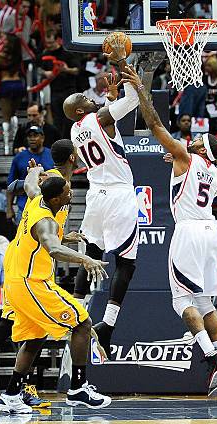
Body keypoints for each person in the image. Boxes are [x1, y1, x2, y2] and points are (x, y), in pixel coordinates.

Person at [0, 141, 81, 412]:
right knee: (19, 326)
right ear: (72, 156)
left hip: (29, 261)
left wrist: (62, 235)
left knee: (26, 328)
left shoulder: (58, 185)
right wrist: (32, 175)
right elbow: (19, 191)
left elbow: (40, 216)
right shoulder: (55, 183)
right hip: (25, 267)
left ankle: (15, 390)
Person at [129, 66, 217, 397]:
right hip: (211, 232)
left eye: (197, 142)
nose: (192, 142)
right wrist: (177, 158)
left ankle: (212, 356)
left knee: (181, 302)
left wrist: (140, 91)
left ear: (201, 149)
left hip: (188, 232)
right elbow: (193, 169)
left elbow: (156, 125)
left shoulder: (186, 157)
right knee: (206, 303)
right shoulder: (216, 173)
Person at [0, 174, 109, 414]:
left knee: (35, 338)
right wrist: (85, 258)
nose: (71, 194)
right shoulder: (45, 221)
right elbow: (53, 249)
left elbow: (28, 183)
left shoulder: (36, 197)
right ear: (56, 198)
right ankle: (78, 388)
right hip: (31, 282)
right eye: (68, 192)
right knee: (82, 322)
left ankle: (11, 396)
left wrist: (33, 171)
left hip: (17, 279)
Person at [64, 51, 141, 358]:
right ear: (82, 108)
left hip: (95, 196)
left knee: (92, 254)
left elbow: (108, 127)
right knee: (125, 262)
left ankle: (76, 312)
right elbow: (133, 100)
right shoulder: (100, 118)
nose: (90, 94)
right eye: (85, 95)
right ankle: (107, 327)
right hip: (119, 195)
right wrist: (124, 65)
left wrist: (110, 98)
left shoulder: (75, 129)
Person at [7, 124, 55, 223]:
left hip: (48, 206)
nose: (32, 138)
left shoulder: (52, 155)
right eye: (30, 136)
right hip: (24, 207)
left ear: (42, 138)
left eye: (35, 135)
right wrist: (9, 208)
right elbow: (11, 184)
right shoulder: (19, 157)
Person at [0, 34, 25, 152]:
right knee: (14, 114)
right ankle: (15, 143)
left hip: (6, 85)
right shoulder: (18, 56)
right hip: (18, 84)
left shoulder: (0, 56)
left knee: (6, 117)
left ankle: (6, 146)